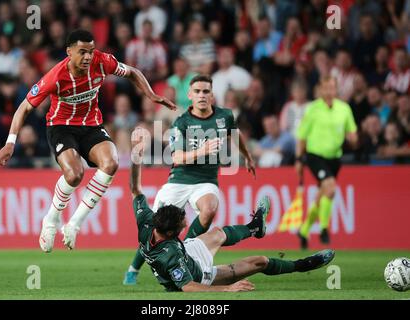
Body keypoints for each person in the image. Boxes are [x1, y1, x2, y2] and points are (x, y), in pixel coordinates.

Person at [0, 30, 176, 253]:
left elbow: (132, 72)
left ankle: (74, 223)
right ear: (69, 52)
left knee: (111, 163)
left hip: (90, 125)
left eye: (91, 51)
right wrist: (10, 142)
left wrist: (151, 94)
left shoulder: (102, 62)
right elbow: (24, 107)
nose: (88, 57)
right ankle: (51, 220)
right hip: (61, 126)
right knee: (74, 174)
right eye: (82, 52)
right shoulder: (55, 76)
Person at [129, 127, 335, 292]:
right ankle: (303, 264)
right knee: (259, 262)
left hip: (188, 252)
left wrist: (135, 155)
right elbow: (188, 286)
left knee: (217, 233)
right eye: (183, 224)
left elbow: (135, 189)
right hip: (200, 274)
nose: (186, 223)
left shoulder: (147, 221)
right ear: (173, 234)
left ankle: (255, 227)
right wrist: (227, 289)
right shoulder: (170, 255)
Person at [123, 74, 257, 285]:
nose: (202, 95)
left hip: (206, 179)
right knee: (154, 224)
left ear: (212, 95)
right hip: (179, 179)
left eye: (205, 91)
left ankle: (183, 252)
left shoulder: (225, 116)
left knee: (210, 208)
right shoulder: (182, 122)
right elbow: (176, 157)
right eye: (197, 91)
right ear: (190, 95)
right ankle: (133, 269)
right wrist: (202, 151)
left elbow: (235, 134)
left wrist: (247, 156)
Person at [296, 76, 358, 250]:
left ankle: (304, 230)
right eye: (326, 88)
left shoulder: (344, 109)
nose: (329, 91)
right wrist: (299, 159)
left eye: (332, 88)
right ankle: (324, 228)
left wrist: (353, 138)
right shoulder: (313, 109)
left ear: (336, 89)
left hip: (334, 158)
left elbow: (352, 132)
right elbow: (302, 136)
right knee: (330, 188)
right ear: (320, 90)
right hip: (315, 156)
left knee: (322, 195)